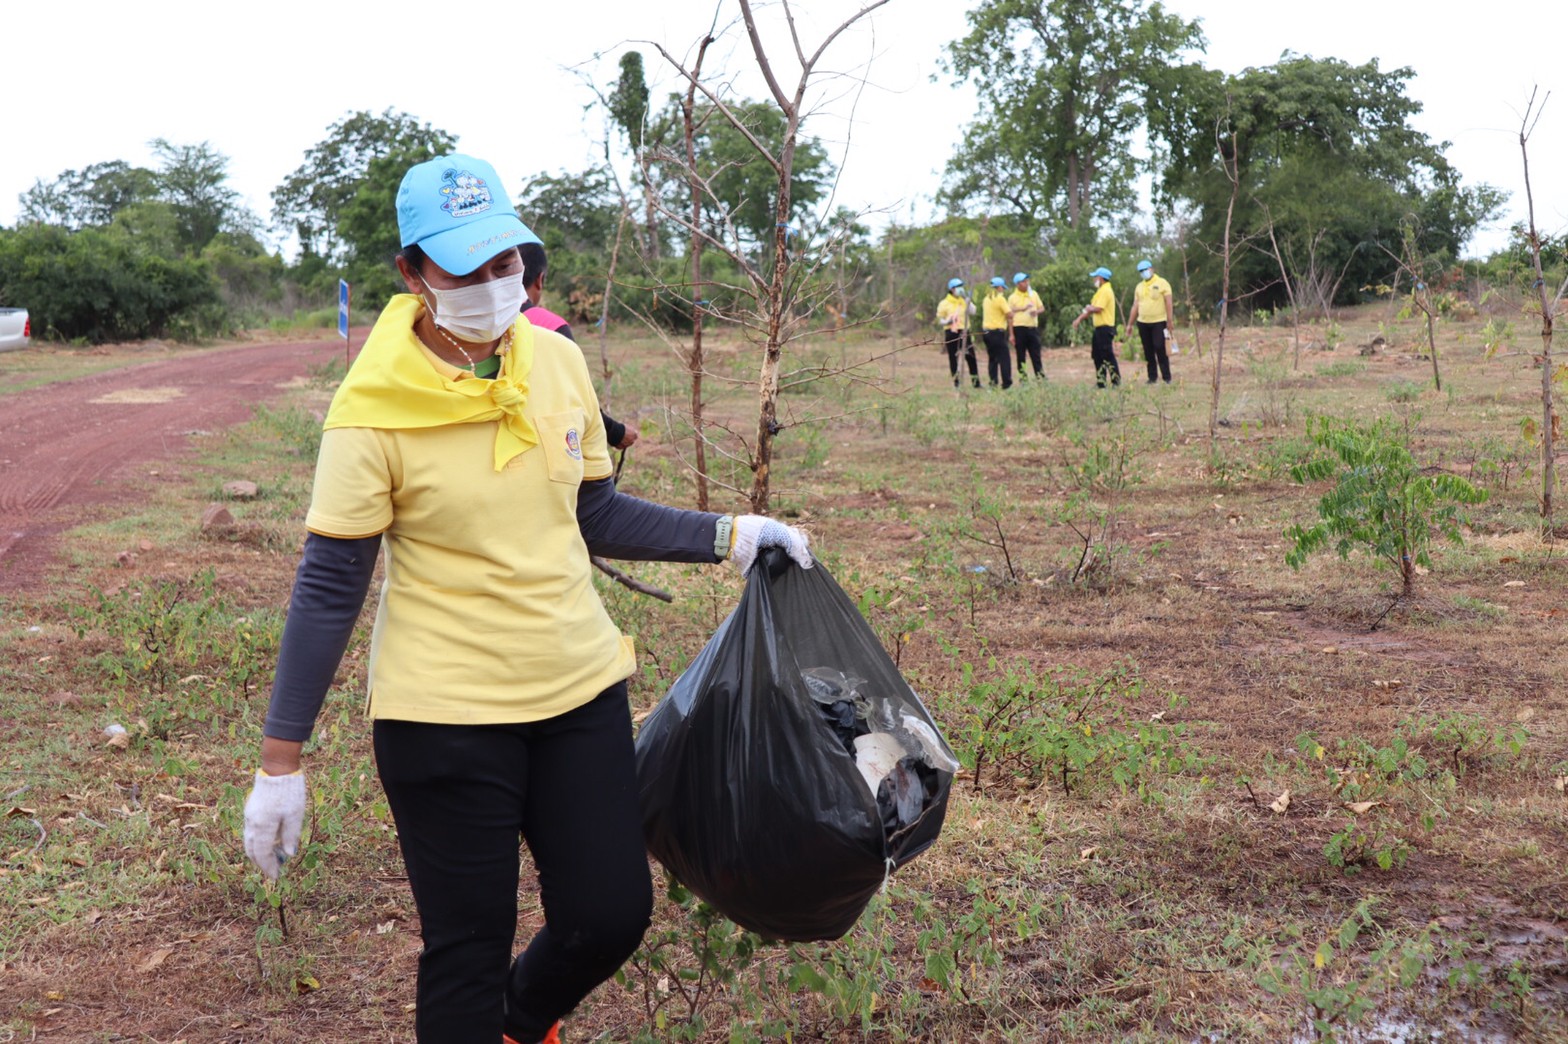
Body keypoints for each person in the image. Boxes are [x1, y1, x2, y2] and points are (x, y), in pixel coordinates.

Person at [239, 153, 813, 1044]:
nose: (490, 282)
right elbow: (330, 584)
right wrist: (282, 760)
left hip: (576, 689)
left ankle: (523, 1020)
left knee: (611, 913)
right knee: (466, 949)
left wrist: (726, 536)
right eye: (464, 267)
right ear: (413, 273)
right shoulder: (370, 410)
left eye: (504, 262)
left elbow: (595, 509)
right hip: (444, 715)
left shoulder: (554, 360)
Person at [518, 241, 638, 450]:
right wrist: (617, 432)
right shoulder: (550, 325)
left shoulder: (473, 324)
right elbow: (580, 398)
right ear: (540, 279)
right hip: (544, 447)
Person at [1124, 258, 1175, 384]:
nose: (1144, 272)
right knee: (1148, 350)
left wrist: (1170, 320)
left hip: (1159, 321)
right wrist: (1129, 324)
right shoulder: (1139, 287)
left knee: (1160, 347)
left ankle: (1166, 377)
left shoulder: (1162, 283)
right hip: (1143, 322)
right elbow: (1135, 306)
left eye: (1145, 270)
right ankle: (1152, 377)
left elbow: (1168, 302)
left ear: (1152, 269)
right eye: (1141, 271)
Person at [1071, 267, 1121, 388]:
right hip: (1098, 328)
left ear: (1101, 278)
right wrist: (1079, 319)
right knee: (1097, 355)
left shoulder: (1106, 291)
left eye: (1096, 277)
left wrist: (1089, 308)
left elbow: (1098, 308)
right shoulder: (1099, 291)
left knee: (1107, 355)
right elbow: (1091, 308)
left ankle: (1116, 381)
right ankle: (1101, 382)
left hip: (1105, 327)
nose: (1094, 279)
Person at [935, 278, 981, 389]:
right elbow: (939, 319)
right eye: (958, 286)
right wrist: (947, 321)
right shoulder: (944, 303)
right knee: (953, 358)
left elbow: (973, 311)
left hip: (965, 331)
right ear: (951, 289)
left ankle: (976, 383)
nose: (960, 288)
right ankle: (956, 383)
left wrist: (967, 300)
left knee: (971, 357)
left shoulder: (964, 300)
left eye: (961, 286)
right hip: (951, 332)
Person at [1007, 271, 1045, 382]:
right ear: (1018, 284)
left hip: (1032, 328)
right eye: (1024, 281)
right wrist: (1011, 334)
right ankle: (1023, 379)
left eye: (1027, 281)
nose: (1027, 283)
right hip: (1019, 329)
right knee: (1021, 356)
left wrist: (1036, 312)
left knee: (1036, 354)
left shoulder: (1033, 294)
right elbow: (1009, 315)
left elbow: (1042, 308)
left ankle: (1040, 377)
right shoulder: (1012, 297)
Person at [980, 276, 1014, 389]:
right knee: (1004, 358)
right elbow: (1009, 314)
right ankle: (1006, 383)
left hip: (986, 332)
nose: (1003, 290)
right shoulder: (1000, 298)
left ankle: (993, 383)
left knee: (992, 359)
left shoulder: (986, 299)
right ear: (999, 287)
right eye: (1002, 288)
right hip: (997, 332)